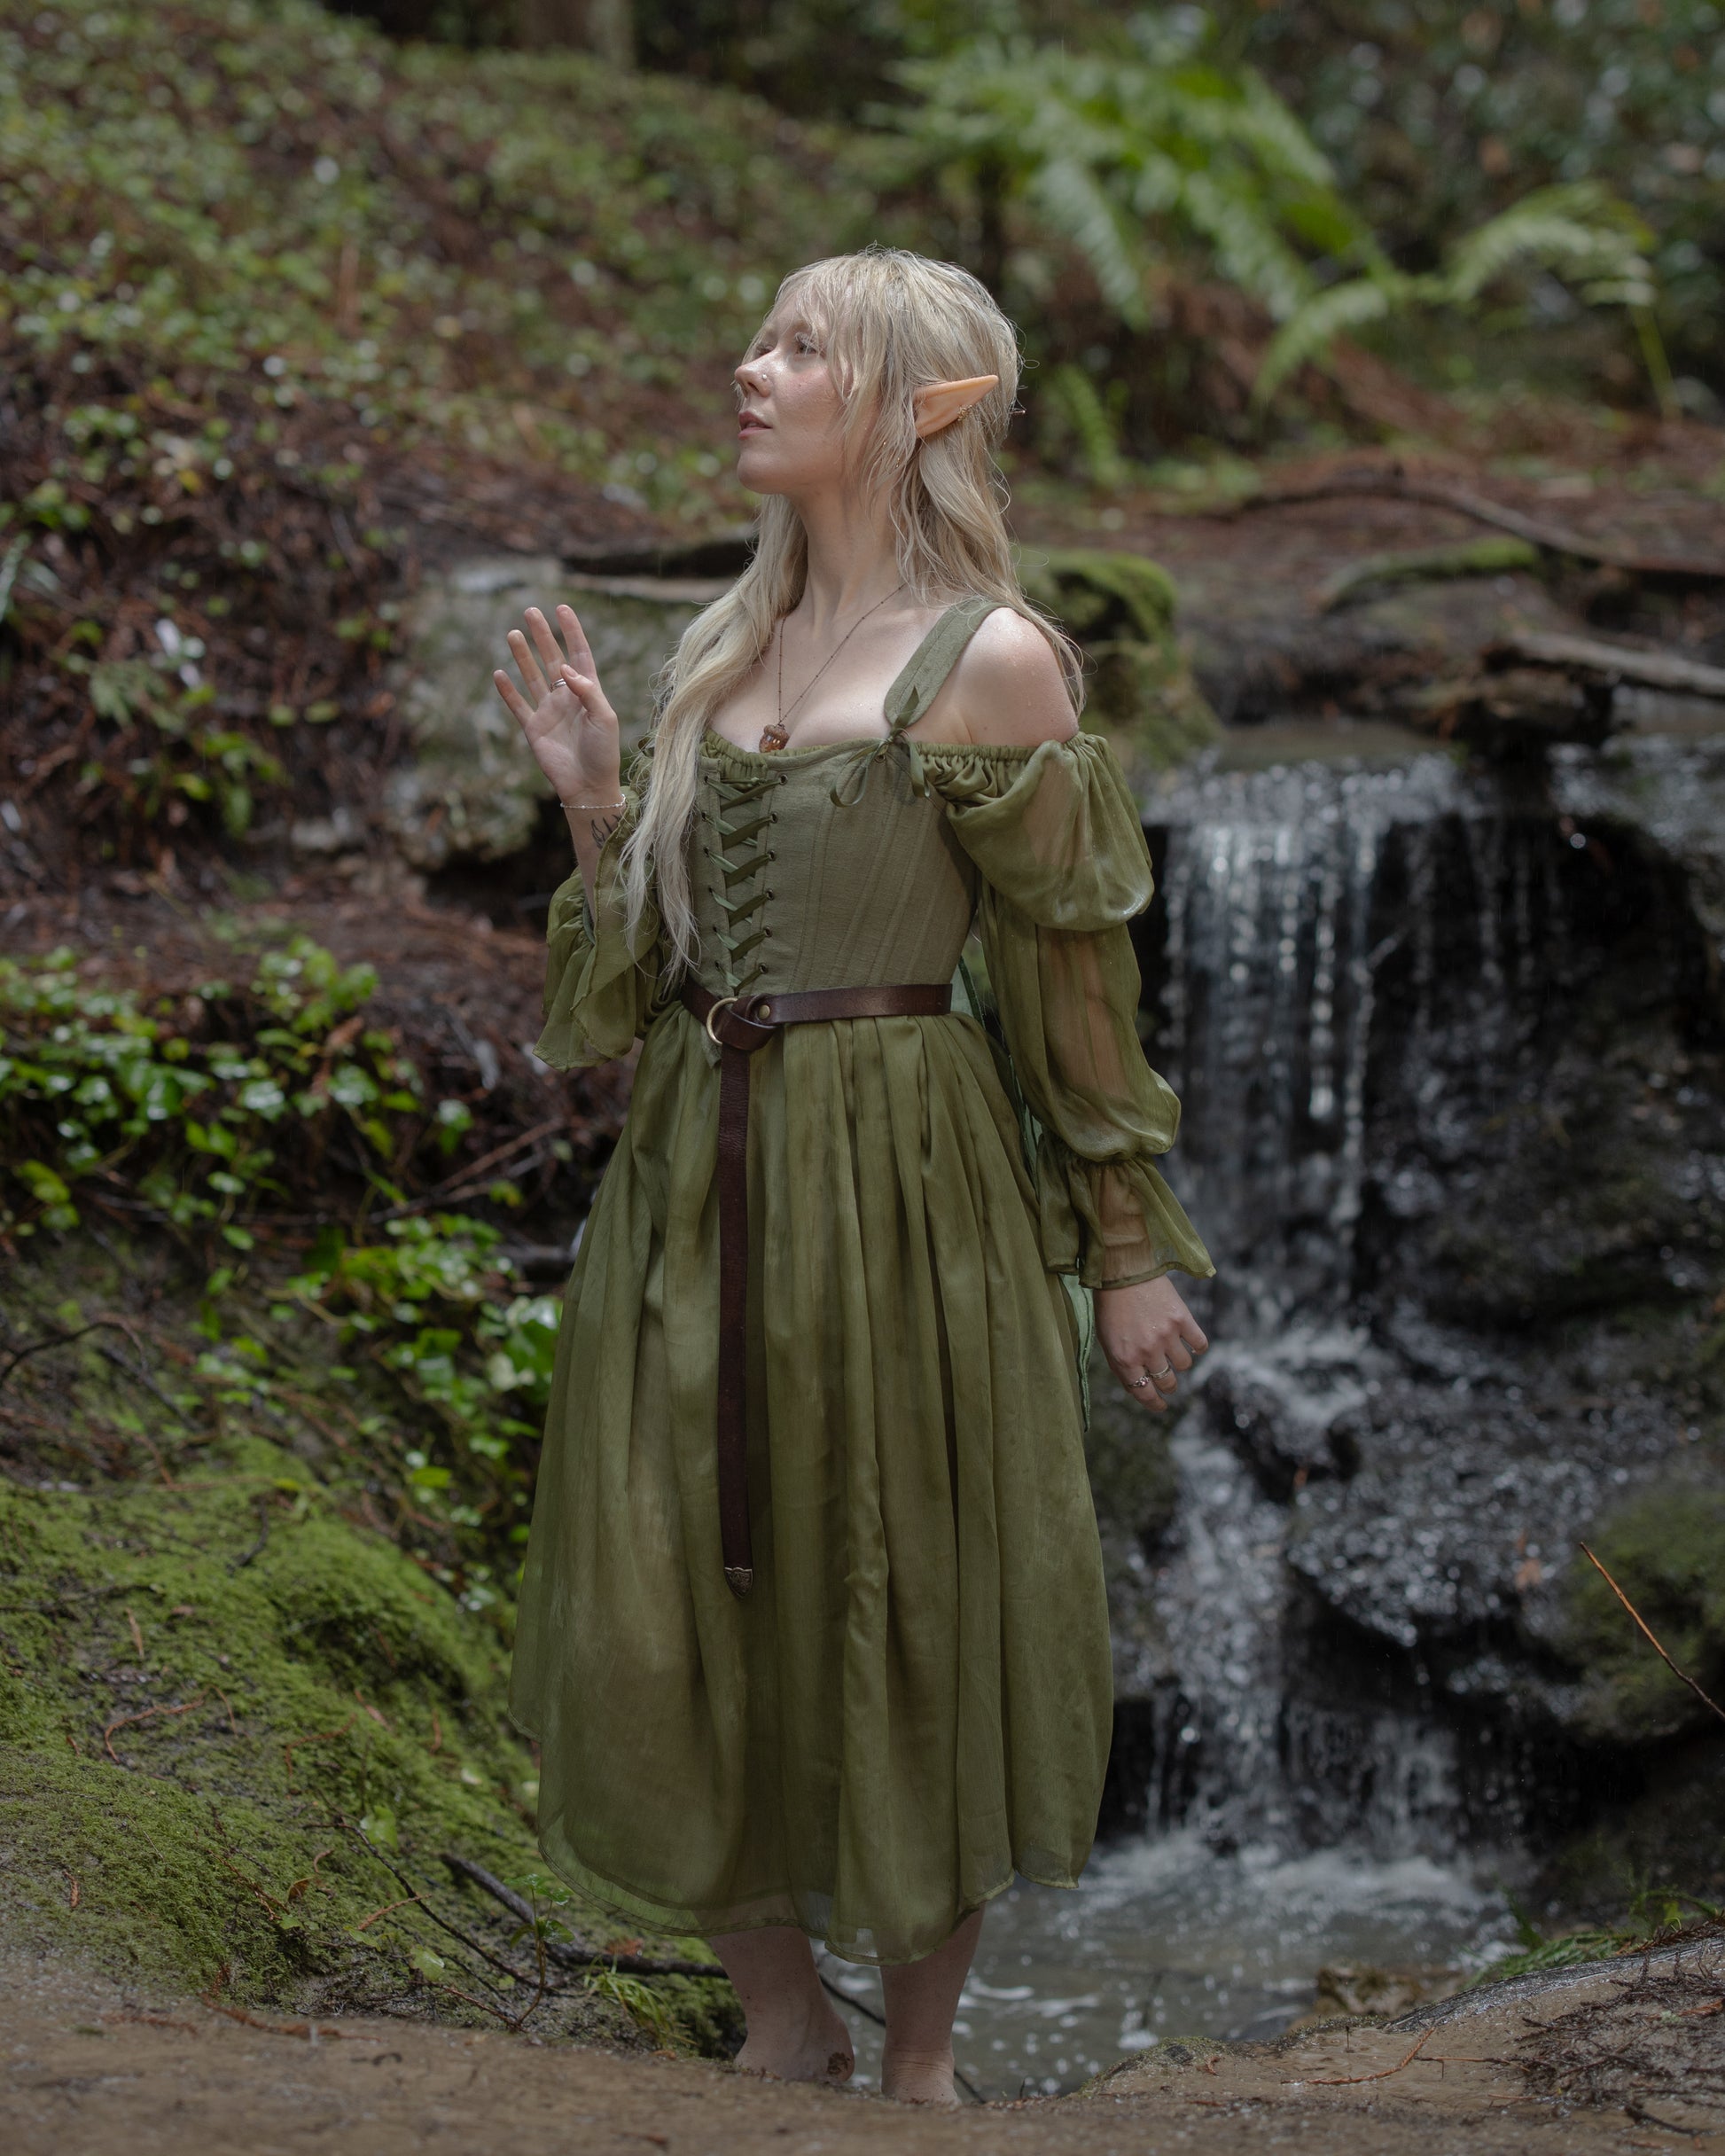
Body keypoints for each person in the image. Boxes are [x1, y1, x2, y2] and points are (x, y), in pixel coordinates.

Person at [494, 248, 1213, 2106]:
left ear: (917, 411)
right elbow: (625, 989)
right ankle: (779, 2020)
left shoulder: (992, 662)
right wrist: (588, 782)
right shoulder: (717, 658)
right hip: (695, 1171)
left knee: (910, 1571)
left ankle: (916, 2066)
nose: (751, 368)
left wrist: (1124, 1246)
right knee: (666, 1562)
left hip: (909, 1178)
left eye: (802, 347)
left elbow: (1072, 980)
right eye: (758, 335)